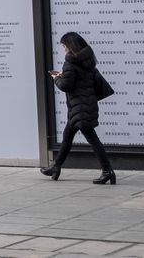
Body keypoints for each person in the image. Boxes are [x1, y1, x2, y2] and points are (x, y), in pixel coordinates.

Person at [42, 32, 116, 184]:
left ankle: (108, 171)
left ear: (70, 46)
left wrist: (57, 78)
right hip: (86, 105)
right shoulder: (88, 60)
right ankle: (56, 167)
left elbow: (66, 86)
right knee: (67, 137)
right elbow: (80, 79)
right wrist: (65, 75)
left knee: (93, 139)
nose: (64, 50)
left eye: (64, 46)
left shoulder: (70, 62)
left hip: (79, 108)